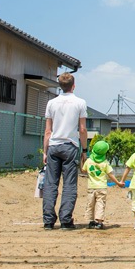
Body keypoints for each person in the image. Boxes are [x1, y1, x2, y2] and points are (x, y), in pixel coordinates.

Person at [42, 72, 87, 230]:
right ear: (73, 86)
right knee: (69, 185)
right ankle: (66, 220)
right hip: (70, 146)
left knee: (50, 184)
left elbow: (48, 131)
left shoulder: (51, 103)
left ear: (60, 86)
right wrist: (84, 150)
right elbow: (82, 129)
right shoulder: (80, 103)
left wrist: (45, 152)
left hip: (54, 145)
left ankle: (48, 221)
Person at [82, 140, 125, 229]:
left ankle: (91, 221)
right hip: (101, 187)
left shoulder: (89, 161)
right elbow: (110, 174)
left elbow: (83, 170)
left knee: (91, 204)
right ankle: (99, 222)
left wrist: (82, 161)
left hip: (91, 187)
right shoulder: (105, 162)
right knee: (100, 204)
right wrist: (118, 183)